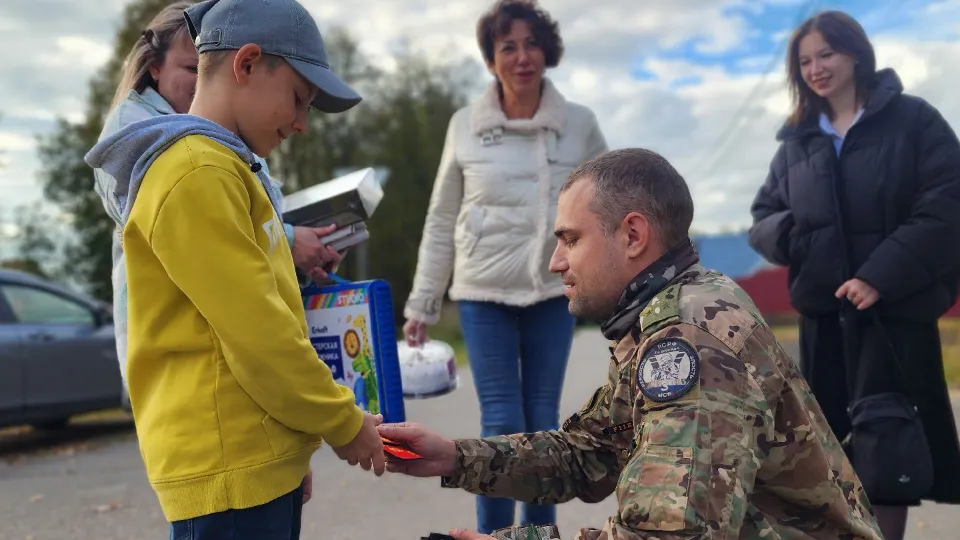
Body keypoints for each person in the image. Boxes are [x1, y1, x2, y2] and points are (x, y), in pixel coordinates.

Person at [378, 148, 884, 540]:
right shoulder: (664, 314)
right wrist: (452, 457)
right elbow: (588, 454)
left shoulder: (691, 339)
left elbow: (667, 535)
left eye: (570, 239)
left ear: (633, 235)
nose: (556, 262)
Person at [83, 0, 384, 538]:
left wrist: (290, 446)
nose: (301, 125)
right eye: (298, 99)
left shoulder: (229, 168)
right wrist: (342, 423)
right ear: (245, 64)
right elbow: (259, 333)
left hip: (253, 456)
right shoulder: (195, 172)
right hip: (226, 468)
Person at [747, 10, 960, 540]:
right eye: (805, 60)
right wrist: (802, 239)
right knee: (825, 456)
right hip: (824, 320)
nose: (816, 68)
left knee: (888, 449)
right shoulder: (797, 141)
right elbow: (763, 219)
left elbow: (945, 204)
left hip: (894, 315)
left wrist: (879, 276)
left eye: (827, 54)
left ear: (856, 54)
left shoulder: (913, 120)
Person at [402, 0, 607, 532]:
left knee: (542, 426)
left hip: (551, 290)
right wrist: (424, 301)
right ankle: (492, 536)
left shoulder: (579, 125)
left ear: (548, 51)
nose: (522, 56)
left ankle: (537, 536)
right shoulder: (464, 125)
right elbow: (442, 216)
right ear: (492, 60)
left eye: (532, 43)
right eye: (507, 46)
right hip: (482, 293)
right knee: (500, 424)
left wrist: (624, 290)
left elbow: (611, 202)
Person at [92, 0, 342, 383]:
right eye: (193, 67)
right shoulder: (180, 156)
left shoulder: (228, 144)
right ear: (154, 67)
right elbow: (202, 226)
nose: (201, 79)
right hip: (194, 367)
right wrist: (289, 239)